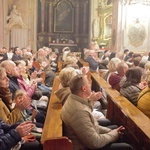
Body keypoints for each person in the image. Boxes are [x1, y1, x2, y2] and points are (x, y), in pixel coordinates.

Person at [61, 74, 133, 150]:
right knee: (127, 147)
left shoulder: (73, 98)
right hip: (83, 147)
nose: (90, 84)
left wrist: (111, 132)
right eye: (88, 83)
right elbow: (95, 142)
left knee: (116, 129)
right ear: (84, 88)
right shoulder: (78, 112)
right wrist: (114, 134)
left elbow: (91, 125)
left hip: (85, 139)